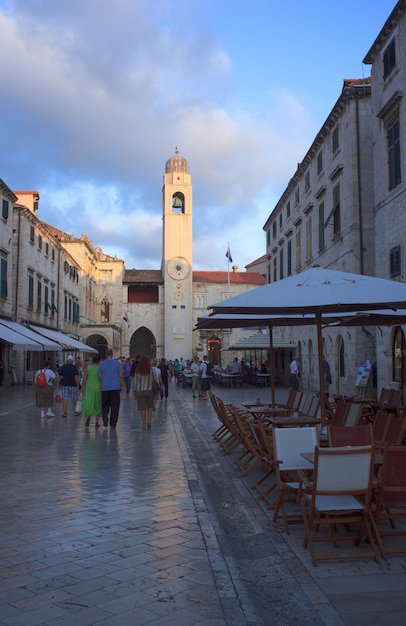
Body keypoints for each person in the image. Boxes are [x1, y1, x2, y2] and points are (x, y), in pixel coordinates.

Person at [98, 349, 123, 429]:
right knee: (115, 406)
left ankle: (105, 417)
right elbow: (121, 375)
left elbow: (99, 376)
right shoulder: (117, 363)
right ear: (112, 355)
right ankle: (113, 424)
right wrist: (121, 384)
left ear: (105, 354)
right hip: (115, 387)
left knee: (105, 404)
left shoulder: (102, 364)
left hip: (105, 387)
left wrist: (105, 379)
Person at [134, 356, 156, 429]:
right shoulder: (152, 370)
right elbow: (155, 380)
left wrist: (135, 390)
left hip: (140, 391)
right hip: (150, 391)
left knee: (143, 408)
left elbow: (135, 382)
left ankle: (143, 424)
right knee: (150, 407)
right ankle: (149, 421)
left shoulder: (137, 370)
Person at [82, 354, 102, 428]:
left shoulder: (88, 367)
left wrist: (82, 387)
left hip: (89, 387)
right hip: (98, 387)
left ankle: (88, 418)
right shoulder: (100, 367)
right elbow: (100, 377)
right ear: (99, 361)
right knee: (97, 403)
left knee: (89, 402)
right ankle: (97, 422)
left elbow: (85, 378)